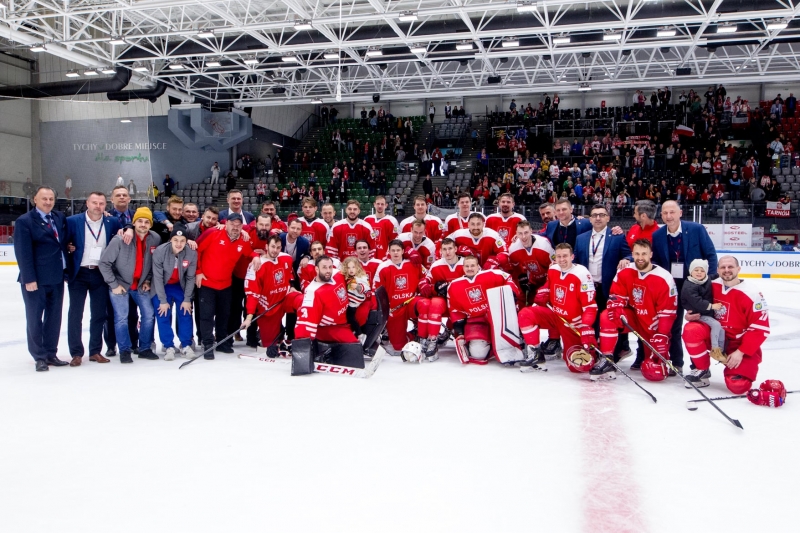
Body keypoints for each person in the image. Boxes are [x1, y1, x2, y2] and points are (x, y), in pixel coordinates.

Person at [681, 256, 770, 392]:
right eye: (723, 267)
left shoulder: (752, 293)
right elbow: (695, 301)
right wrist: (690, 314)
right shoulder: (710, 284)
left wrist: (740, 352)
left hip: (738, 344)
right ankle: (702, 370)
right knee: (691, 330)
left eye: (730, 267)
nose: (726, 270)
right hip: (714, 337)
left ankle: (734, 368)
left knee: (738, 386)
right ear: (717, 270)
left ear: (738, 269)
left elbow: (760, 329)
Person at [650, 200, 717, 374]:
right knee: (672, 325)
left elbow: (710, 254)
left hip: (694, 288)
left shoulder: (696, 229)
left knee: (696, 326)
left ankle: (699, 366)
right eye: (665, 213)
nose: (668, 216)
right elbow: (655, 261)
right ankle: (676, 363)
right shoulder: (657, 235)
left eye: (672, 212)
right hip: (671, 288)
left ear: (680, 213)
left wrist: (706, 282)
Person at [596, 239, 677, 381]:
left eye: (644, 254)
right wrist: (616, 307)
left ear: (651, 254)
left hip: (651, 324)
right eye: (637, 254)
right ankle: (607, 358)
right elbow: (616, 296)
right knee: (607, 316)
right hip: (632, 318)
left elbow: (667, 312)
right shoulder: (625, 271)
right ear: (632, 254)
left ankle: (661, 359)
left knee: (654, 371)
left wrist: (662, 334)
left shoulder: (664, 277)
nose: (640, 258)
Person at [518, 243, 597, 373]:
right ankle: (536, 355)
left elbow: (590, 306)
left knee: (578, 367)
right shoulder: (553, 269)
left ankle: (593, 352)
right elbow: (549, 285)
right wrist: (543, 291)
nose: (561, 259)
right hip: (555, 315)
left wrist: (586, 326)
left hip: (572, 324)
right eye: (558, 256)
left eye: (565, 256)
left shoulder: (582, 274)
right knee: (525, 314)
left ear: (572, 256)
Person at [64, 191, 122, 366]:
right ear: (87, 203)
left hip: (100, 274)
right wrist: (68, 249)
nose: (98, 206)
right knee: (75, 314)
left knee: (99, 314)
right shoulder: (73, 221)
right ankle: (76, 353)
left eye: (101, 203)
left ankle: (95, 351)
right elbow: (63, 245)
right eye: (94, 203)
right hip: (79, 273)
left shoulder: (112, 222)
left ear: (106, 205)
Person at [15, 186, 69, 371]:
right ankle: (39, 356)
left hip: (56, 277)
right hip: (35, 280)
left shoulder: (59, 217)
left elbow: (62, 242)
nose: (48, 202)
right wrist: (29, 278)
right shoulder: (25, 221)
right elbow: (23, 253)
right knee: (35, 319)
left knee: (54, 318)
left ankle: (51, 353)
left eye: (51, 199)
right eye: (44, 199)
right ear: (35, 200)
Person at [99, 207, 161, 364]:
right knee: (121, 318)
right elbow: (104, 263)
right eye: (140, 221)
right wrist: (113, 284)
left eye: (147, 222)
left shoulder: (155, 239)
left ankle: (145, 348)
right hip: (120, 284)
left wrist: (147, 280)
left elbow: (154, 264)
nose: (143, 224)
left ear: (151, 225)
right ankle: (125, 350)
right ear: (134, 223)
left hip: (141, 285)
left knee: (149, 315)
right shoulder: (120, 239)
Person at [194, 213, 253, 358]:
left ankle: (221, 341)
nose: (235, 227)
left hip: (226, 284)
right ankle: (207, 343)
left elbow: (249, 253)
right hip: (207, 282)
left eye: (239, 225)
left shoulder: (243, 240)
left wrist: (256, 257)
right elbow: (197, 249)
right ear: (226, 223)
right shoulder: (213, 233)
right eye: (233, 224)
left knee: (224, 314)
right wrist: (198, 271)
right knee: (207, 315)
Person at [447, 255, 519, 364]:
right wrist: (459, 325)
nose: (470, 268)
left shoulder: (491, 274)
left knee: (511, 340)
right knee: (478, 354)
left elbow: (507, 278)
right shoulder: (454, 285)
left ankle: (509, 342)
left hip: (496, 317)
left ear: (478, 266)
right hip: (476, 321)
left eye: (472, 266)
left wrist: (511, 291)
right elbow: (454, 309)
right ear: (463, 267)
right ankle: (490, 344)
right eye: (467, 266)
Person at [374, 240, 440, 357]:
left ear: (403, 251)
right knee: (399, 346)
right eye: (393, 250)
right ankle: (412, 334)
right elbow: (378, 291)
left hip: (411, 302)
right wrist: (384, 308)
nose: (395, 253)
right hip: (394, 308)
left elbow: (426, 278)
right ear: (388, 252)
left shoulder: (413, 263)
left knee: (425, 304)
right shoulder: (383, 267)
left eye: (398, 250)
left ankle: (423, 338)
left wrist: (425, 285)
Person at [574, 204, 632, 338]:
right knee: (590, 321)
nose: (598, 218)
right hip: (588, 288)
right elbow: (575, 261)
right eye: (594, 215)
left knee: (610, 321)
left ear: (608, 218)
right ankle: (593, 349)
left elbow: (629, 255)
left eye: (602, 215)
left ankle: (613, 352)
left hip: (608, 287)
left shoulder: (617, 236)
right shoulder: (581, 238)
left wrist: (627, 259)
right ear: (590, 219)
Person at [242, 235, 302, 355]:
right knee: (269, 346)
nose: (275, 250)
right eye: (273, 247)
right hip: (269, 308)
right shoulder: (256, 266)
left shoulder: (286, 258)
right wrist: (249, 317)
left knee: (303, 301)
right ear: (266, 247)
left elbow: (289, 274)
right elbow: (252, 294)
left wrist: (291, 287)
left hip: (284, 299)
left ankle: (301, 338)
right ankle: (270, 336)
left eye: (278, 247)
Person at [151, 224, 197, 361]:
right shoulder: (160, 251)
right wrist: (163, 301)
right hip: (163, 286)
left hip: (179, 285)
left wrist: (187, 298)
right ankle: (168, 345)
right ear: (170, 240)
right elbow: (158, 278)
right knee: (163, 312)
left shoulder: (191, 253)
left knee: (185, 311)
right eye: (175, 240)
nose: (179, 244)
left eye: (182, 240)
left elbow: (190, 277)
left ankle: (186, 344)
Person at [294, 256, 356, 343]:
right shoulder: (312, 292)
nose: (328, 271)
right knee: (355, 347)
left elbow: (355, 279)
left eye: (330, 267)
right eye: (324, 267)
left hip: (347, 316)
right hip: (332, 327)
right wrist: (302, 347)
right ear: (316, 269)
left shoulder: (337, 273)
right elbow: (305, 324)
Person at [681, 259, 725, 366]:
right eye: (696, 270)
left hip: (705, 312)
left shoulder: (706, 279)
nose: (699, 272)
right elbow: (697, 301)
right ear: (691, 271)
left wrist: (722, 273)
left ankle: (721, 350)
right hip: (698, 314)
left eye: (702, 270)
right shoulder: (689, 286)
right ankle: (715, 349)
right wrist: (712, 306)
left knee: (722, 330)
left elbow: (713, 276)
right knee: (716, 325)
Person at [364, 195, 400, 260]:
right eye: (378, 204)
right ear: (374, 204)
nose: (380, 206)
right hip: (369, 258)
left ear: (386, 205)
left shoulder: (392, 221)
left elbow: (395, 240)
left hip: (384, 258)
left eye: (382, 204)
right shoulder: (367, 219)